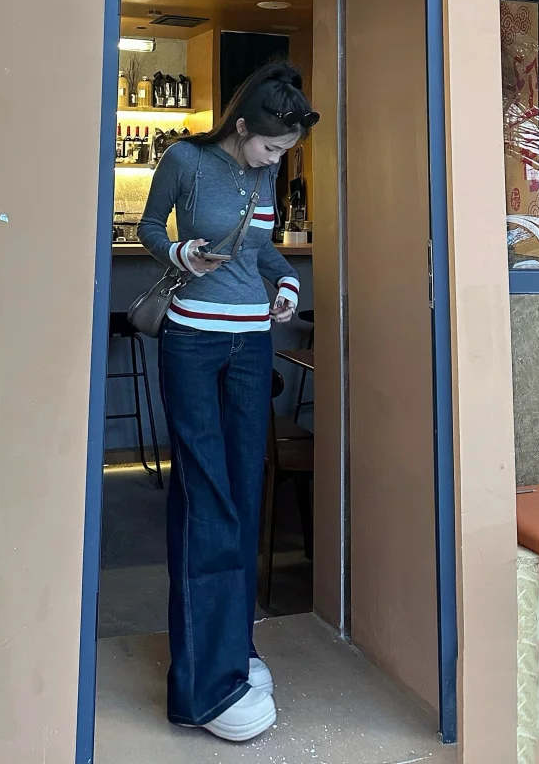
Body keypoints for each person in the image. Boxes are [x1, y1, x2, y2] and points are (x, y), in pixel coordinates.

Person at [137, 62, 319, 742]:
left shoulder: (263, 173)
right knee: (205, 496)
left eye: (285, 151)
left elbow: (260, 250)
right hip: (192, 342)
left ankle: (235, 649)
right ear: (242, 127)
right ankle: (204, 686)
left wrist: (287, 282)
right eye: (271, 147)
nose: (276, 159)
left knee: (242, 494)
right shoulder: (185, 160)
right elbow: (149, 228)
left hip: (251, 346)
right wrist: (181, 252)